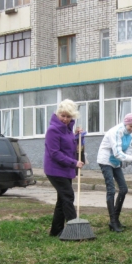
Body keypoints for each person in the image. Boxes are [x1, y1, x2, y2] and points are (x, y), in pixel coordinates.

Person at [44, 99, 85, 237]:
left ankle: (56, 231)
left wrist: (77, 136)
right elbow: (55, 153)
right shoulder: (52, 130)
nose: (65, 119)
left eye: (69, 116)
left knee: (62, 199)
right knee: (68, 196)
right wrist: (74, 163)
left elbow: (70, 146)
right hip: (55, 169)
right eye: (63, 115)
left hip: (66, 169)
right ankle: (75, 230)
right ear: (58, 114)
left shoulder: (68, 130)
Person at [97, 113, 132, 232]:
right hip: (106, 160)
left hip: (116, 162)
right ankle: (112, 222)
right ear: (125, 123)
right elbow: (117, 152)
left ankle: (116, 219)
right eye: (130, 126)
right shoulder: (116, 131)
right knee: (111, 190)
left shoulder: (129, 135)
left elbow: (128, 150)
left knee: (124, 189)